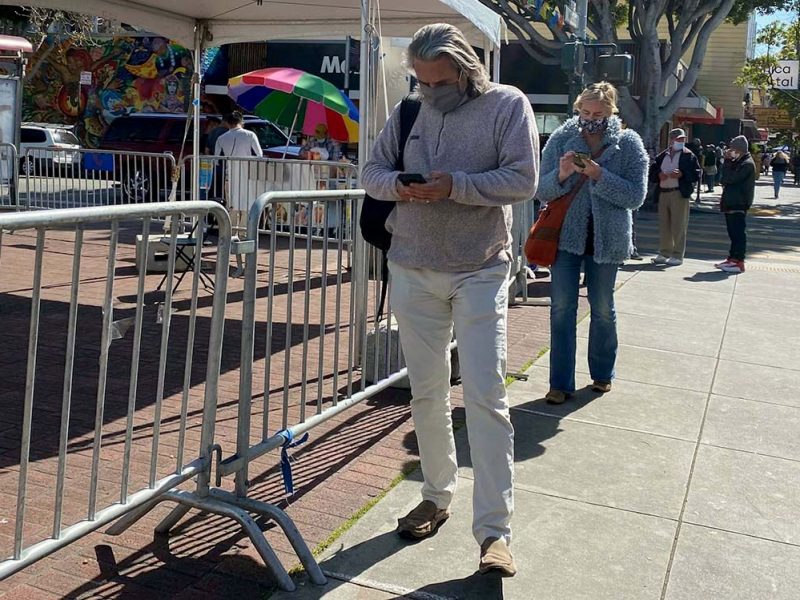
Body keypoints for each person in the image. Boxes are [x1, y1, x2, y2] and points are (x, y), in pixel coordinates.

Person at [362, 23, 539, 577]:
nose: (428, 90)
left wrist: (454, 186)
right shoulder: (410, 110)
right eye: (420, 80)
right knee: (427, 394)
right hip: (412, 268)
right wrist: (403, 187)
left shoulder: (508, 105)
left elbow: (523, 180)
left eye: (438, 80)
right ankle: (436, 496)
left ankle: (495, 532)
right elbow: (370, 173)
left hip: (480, 268)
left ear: (465, 69)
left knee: (486, 397)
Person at [535, 82, 647, 405]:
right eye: (584, 112)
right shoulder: (561, 139)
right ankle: (560, 383)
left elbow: (636, 196)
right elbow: (542, 190)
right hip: (565, 238)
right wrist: (561, 174)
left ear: (611, 112)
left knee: (602, 308)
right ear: (578, 110)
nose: (590, 119)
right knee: (561, 309)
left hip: (607, 239)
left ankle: (602, 373)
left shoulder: (628, 144)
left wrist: (599, 175)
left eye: (597, 113)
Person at [649, 128, 700, 266]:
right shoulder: (662, 156)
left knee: (679, 224)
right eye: (678, 139)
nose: (681, 142)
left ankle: (677, 255)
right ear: (671, 140)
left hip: (679, 193)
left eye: (683, 139)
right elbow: (652, 173)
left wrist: (682, 174)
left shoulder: (689, 156)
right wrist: (659, 175)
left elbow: (697, 174)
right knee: (664, 224)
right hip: (663, 193)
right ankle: (664, 252)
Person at [716, 135, 756, 274]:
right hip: (731, 202)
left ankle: (739, 261)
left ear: (739, 149)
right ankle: (732, 258)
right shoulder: (738, 161)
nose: (730, 151)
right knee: (732, 233)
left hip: (738, 203)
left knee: (738, 234)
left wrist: (727, 162)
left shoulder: (747, 164)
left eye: (732, 148)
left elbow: (729, 179)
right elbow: (724, 179)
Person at [215, 111, 263, 216]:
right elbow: (259, 154)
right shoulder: (250, 135)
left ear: (227, 123)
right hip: (248, 173)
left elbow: (216, 159)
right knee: (248, 200)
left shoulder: (221, 138)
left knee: (232, 202)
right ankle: (244, 229)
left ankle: (231, 228)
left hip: (230, 173)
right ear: (241, 121)